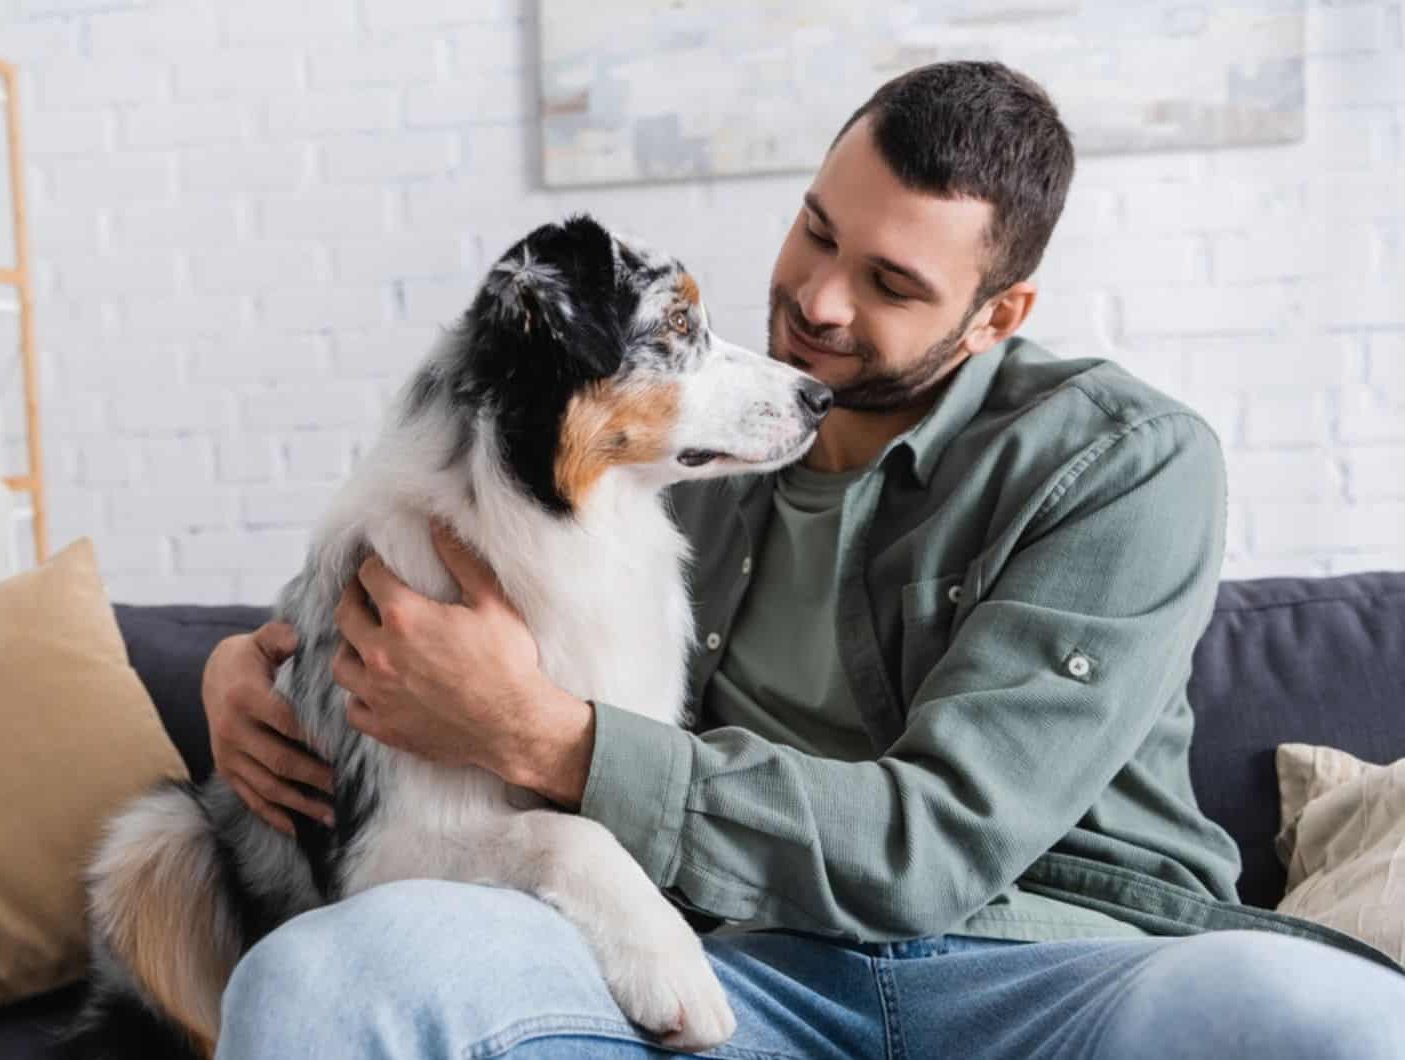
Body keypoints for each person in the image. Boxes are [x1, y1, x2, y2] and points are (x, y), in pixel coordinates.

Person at [203, 61, 1405, 1058]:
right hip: (740, 972)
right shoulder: (681, 454)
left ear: (997, 314)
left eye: (888, 282)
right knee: (317, 984)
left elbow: (933, 846)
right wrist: (258, 674)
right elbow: (443, 589)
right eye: (816, 231)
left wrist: (545, 735)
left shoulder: (1125, 465)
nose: (818, 301)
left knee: (1339, 1023)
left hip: (1057, 972)